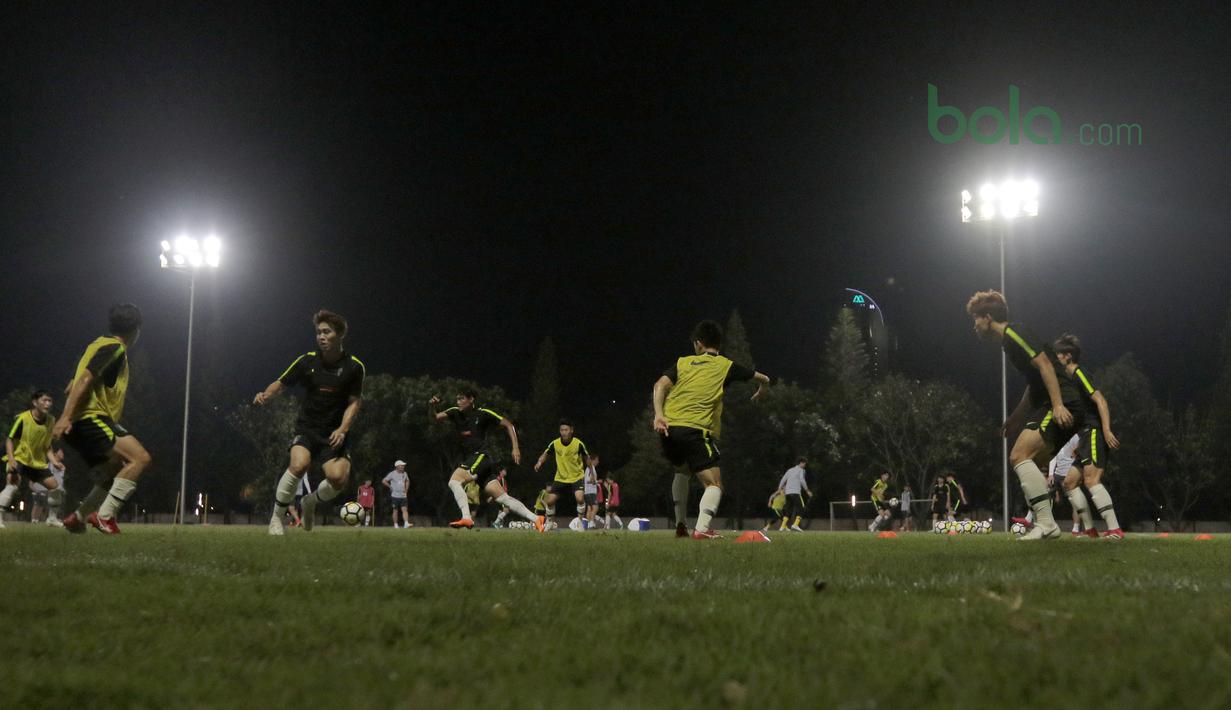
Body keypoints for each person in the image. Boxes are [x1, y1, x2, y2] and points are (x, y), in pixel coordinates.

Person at [968, 290, 1078, 540]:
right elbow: (1033, 382)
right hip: (1050, 404)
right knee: (1030, 462)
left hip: (1061, 403)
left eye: (975, 319)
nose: (974, 326)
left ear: (987, 317)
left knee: (1019, 455)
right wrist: (1016, 418)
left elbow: (1046, 365)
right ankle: (1047, 524)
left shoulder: (1014, 333)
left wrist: (1059, 405)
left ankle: (1046, 524)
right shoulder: (1009, 343)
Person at [652, 320, 771, 539]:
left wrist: (659, 414)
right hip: (695, 430)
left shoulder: (682, 363)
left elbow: (660, 385)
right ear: (719, 343)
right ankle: (703, 529)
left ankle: (680, 526)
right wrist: (764, 387)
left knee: (682, 471)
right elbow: (762, 377)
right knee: (714, 484)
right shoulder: (725, 366)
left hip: (668, 429)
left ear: (698, 343)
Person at [256, 310, 365, 536]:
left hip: (334, 433)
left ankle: (310, 502)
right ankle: (277, 518)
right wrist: (266, 395)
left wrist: (343, 430)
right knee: (298, 465)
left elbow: (354, 403)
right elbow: (281, 382)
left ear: (340, 335)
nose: (321, 336)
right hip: (307, 428)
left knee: (338, 478)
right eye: (318, 332)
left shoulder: (354, 367)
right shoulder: (307, 361)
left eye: (327, 332)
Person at [55, 304, 153, 535]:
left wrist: (69, 416)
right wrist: (65, 417)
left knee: (113, 472)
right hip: (90, 419)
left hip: (80, 423)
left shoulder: (97, 344)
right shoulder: (115, 348)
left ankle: (78, 518)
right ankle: (104, 516)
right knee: (140, 458)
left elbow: (72, 384)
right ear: (136, 330)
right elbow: (83, 381)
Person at [429, 390, 541, 530]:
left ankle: (467, 518)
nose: (458, 402)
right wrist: (432, 406)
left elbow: (508, 424)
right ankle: (536, 519)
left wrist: (515, 447)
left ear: (471, 399)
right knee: (502, 498)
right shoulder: (455, 412)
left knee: (454, 481)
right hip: (475, 460)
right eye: (457, 399)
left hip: (480, 456)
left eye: (461, 399)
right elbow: (436, 418)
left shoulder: (482, 414)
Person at [1052, 334, 1124, 539]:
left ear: (1067, 356)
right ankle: (1091, 531)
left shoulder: (1078, 373)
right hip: (1084, 437)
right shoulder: (1066, 380)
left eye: (1056, 355)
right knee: (1069, 483)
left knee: (1091, 480)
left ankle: (1115, 530)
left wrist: (1106, 430)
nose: (1053, 359)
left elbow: (1100, 400)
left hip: (1093, 432)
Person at [1, 391, 65, 529]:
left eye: (50, 401)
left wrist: (54, 461)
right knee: (12, 486)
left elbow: (47, 445)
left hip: (37, 462)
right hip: (19, 458)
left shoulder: (51, 420)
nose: (48, 404)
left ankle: (52, 519)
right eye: (44, 400)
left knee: (55, 488)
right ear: (35, 402)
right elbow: (9, 440)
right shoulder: (23, 418)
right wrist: (11, 459)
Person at [533, 419, 591, 531]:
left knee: (579, 498)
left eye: (566, 430)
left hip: (576, 477)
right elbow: (546, 454)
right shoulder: (555, 443)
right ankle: (549, 522)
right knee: (549, 501)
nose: (564, 432)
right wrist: (539, 462)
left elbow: (587, 458)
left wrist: (592, 473)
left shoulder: (578, 444)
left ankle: (580, 522)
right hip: (561, 478)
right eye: (562, 430)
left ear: (571, 430)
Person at [775, 457, 811, 532]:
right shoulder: (801, 470)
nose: (805, 465)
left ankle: (782, 527)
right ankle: (795, 525)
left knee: (788, 509)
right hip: (795, 492)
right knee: (802, 508)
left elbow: (783, 479)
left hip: (788, 493)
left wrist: (779, 489)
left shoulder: (790, 470)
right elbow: (802, 480)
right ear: (801, 463)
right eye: (804, 463)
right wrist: (807, 490)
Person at [382, 460, 411, 528]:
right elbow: (384, 481)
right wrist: (390, 487)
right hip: (395, 496)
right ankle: (395, 524)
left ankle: (406, 523)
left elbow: (407, 481)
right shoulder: (392, 474)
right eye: (402, 465)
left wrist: (406, 490)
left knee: (404, 509)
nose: (403, 466)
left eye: (403, 465)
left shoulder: (405, 473)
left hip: (403, 496)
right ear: (397, 466)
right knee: (395, 510)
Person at [582, 454, 600, 530]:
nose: (598, 462)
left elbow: (584, 480)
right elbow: (589, 481)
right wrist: (596, 481)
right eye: (597, 460)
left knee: (589, 508)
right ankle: (591, 524)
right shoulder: (591, 468)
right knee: (595, 508)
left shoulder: (588, 468)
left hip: (587, 492)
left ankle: (588, 525)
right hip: (591, 492)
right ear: (593, 460)